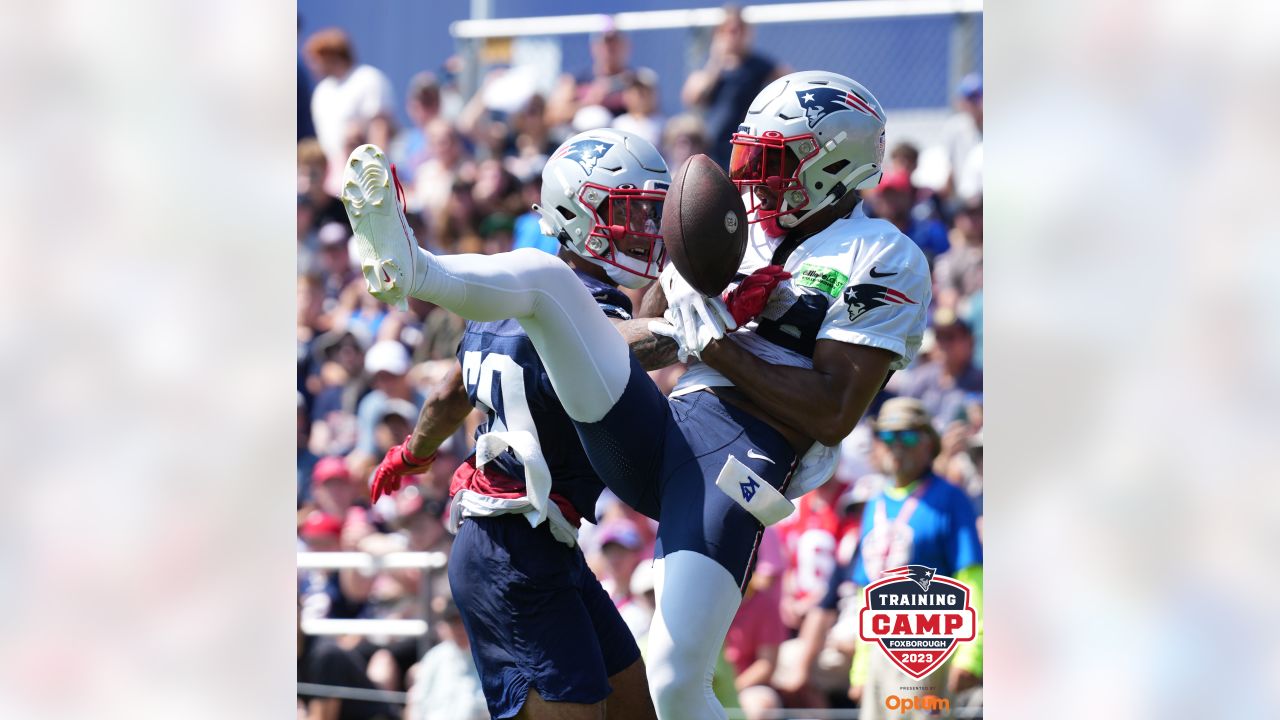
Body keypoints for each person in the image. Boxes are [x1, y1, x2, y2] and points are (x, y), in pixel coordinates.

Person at [342, 71, 930, 719]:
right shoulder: (741, 227)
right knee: (549, 281)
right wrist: (679, 319)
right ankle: (416, 266)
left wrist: (716, 342)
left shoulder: (882, 256)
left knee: (674, 687)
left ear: (833, 163)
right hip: (661, 433)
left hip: (735, 468)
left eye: (773, 160)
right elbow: (632, 330)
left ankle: (420, 268)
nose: (756, 179)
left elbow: (833, 410)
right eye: (753, 158)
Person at [355, 129, 666, 719]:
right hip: (512, 550)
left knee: (635, 712)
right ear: (581, 214)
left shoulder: (512, 297)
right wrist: (698, 332)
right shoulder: (581, 305)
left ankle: (416, 263)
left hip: (539, 543)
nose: (645, 229)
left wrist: (411, 455)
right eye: (629, 211)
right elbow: (614, 344)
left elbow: (450, 391)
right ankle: (415, 263)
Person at [845, 398, 983, 719]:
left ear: (928, 445)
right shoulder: (874, 504)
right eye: (888, 437)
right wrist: (861, 668)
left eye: (907, 437)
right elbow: (867, 594)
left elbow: (972, 580)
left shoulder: (949, 499)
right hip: (880, 647)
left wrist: (972, 654)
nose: (897, 446)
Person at [681, 6, 787, 168]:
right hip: (710, 145)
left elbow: (787, 81)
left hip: (743, 143)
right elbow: (692, 97)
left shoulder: (757, 64)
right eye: (729, 31)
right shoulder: (710, 66)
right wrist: (716, 61)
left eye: (739, 30)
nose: (734, 36)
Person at [303, 28, 396, 194]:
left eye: (316, 59)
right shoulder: (322, 91)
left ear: (331, 55)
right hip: (334, 182)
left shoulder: (368, 79)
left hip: (367, 178)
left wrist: (377, 177)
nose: (312, 66)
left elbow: (380, 129)